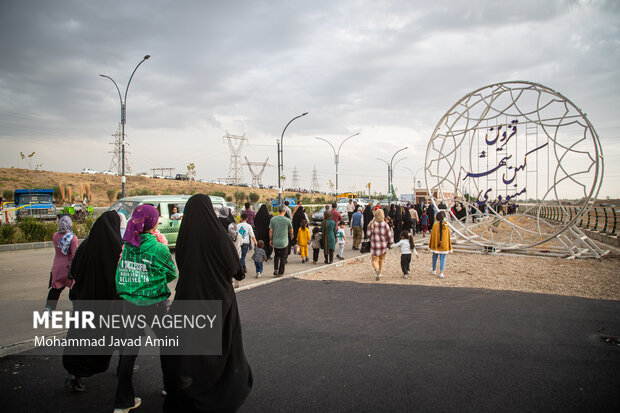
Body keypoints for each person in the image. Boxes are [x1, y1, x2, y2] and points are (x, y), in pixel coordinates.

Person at [161, 194, 252, 412]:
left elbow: (180, 264)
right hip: (218, 298)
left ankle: (188, 388)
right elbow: (235, 268)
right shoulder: (217, 235)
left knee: (189, 351)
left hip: (188, 297)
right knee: (220, 348)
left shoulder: (184, 236)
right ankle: (218, 391)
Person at [114, 205, 177, 413]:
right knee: (166, 344)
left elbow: (121, 272)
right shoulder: (159, 248)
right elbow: (171, 274)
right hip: (154, 304)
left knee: (129, 350)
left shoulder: (128, 245)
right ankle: (170, 388)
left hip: (129, 303)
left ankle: (123, 401)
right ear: (153, 223)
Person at [62, 211, 123, 392]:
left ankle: (76, 374)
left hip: (84, 303)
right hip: (109, 304)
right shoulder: (118, 247)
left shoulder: (85, 246)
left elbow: (73, 272)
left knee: (80, 337)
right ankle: (124, 367)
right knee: (116, 336)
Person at [45, 216, 78, 311]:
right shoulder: (73, 238)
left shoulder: (55, 236)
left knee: (56, 289)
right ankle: (76, 309)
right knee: (73, 288)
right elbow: (74, 254)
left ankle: (49, 308)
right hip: (68, 267)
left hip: (57, 267)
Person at [367, 209, 393, 281]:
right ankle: (380, 272)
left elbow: (368, 234)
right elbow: (389, 235)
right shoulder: (385, 224)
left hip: (374, 244)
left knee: (375, 259)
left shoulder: (371, 223)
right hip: (383, 244)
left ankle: (376, 269)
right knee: (382, 259)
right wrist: (391, 243)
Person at [269, 205, 293, 277]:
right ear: (284, 211)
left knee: (276, 255)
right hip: (284, 242)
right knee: (283, 257)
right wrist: (292, 235)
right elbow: (291, 230)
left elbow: (271, 230)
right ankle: (280, 272)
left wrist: (271, 239)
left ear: (278, 210)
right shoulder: (287, 220)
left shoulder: (273, 219)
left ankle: (276, 269)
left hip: (276, 241)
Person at [428, 211, 453, 279]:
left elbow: (432, 236)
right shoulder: (446, 225)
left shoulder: (435, 225)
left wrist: (431, 244)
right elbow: (448, 236)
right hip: (444, 245)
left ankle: (434, 269)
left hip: (436, 244)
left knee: (434, 257)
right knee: (442, 258)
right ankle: (441, 272)